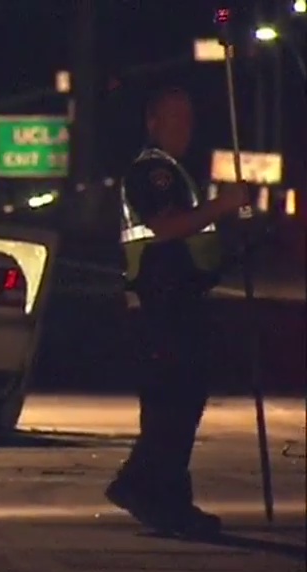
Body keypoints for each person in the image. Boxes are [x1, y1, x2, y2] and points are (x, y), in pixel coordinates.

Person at [104, 86, 250, 536]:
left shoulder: (175, 172)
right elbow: (166, 227)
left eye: (188, 119)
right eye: (174, 119)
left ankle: (158, 491)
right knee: (173, 402)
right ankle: (153, 493)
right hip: (160, 306)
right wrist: (222, 205)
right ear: (152, 122)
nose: (184, 128)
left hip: (178, 302)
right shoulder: (153, 173)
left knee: (180, 401)